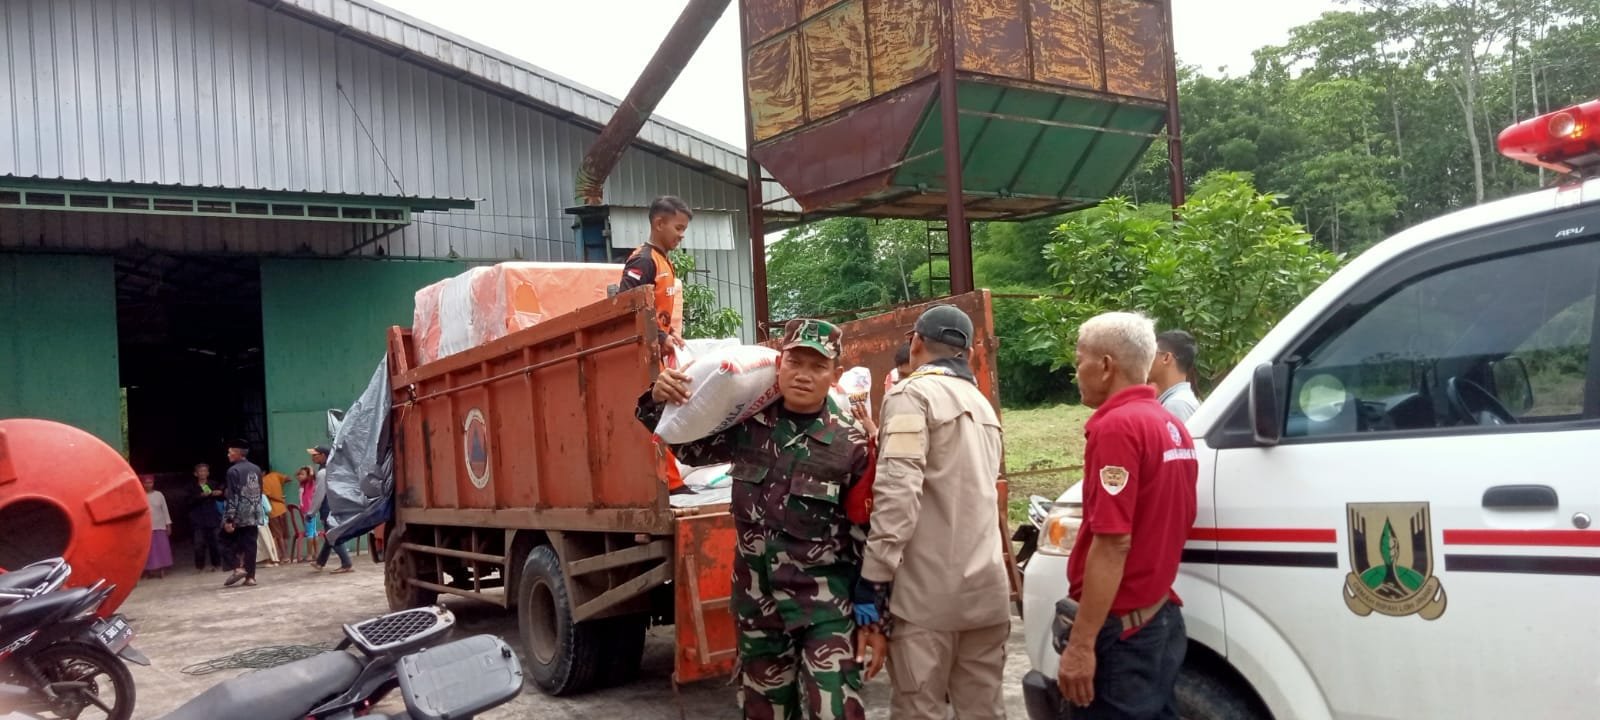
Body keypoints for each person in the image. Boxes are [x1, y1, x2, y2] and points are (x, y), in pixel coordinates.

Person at [637, 319, 871, 720]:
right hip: (757, 607)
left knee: (836, 712)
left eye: (818, 366)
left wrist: (875, 611)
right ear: (779, 363)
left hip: (825, 609)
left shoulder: (852, 443)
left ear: (835, 373)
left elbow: (868, 531)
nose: (803, 375)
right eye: (796, 362)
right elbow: (687, 449)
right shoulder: (749, 425)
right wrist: (656, 399)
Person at [854, 305, 1011, 719]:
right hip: (987, 595)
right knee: (984, 711)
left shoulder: (911, 394)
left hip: (928, 601)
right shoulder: (981, 404)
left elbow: (897, 494)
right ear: (966, 353)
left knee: (919, 709)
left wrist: (873, 578)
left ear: (916, 342)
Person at [1055, 312, 1198, 718]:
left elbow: (1114, 540)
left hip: (1124, 635)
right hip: (1159, 621)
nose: (1076, 371)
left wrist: (1081, 644)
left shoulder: (1117, 428)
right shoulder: (1170, 425)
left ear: (1105, 366)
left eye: (1079, 360)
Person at [618, 195, 692, 350]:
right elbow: (627, 310)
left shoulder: (664, 260)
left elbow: (657, 310)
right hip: (642, 353)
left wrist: (669, 332)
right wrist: (661, 337)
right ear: (659, 224)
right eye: (678, 228)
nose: (682, 235)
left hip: (655, 350)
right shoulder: (643, 261)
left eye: (684, 229)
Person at [221, 441, 264, 587]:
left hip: (240, 514)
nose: (228, 455)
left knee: (224, 540)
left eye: (230, 452)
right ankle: (251, 577)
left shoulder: (233, 471)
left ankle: (237, 567)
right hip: (255, 512)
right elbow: (260, 492)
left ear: (238, 453)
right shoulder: (257, 469)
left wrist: (229, 518)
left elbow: (233, 496)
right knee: (250, 545)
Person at [308, 446, 354, 574]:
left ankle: (346, 563)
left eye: (315, 455)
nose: (313, 457)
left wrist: (311, 512)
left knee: (333, 535)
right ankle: (320, 562)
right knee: (330, 535)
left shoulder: (323, 473)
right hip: (337, 505)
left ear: (323, 456)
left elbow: (319, 494)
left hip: (328, 508)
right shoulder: (334, 468)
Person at [1150, 330, 1201, 423]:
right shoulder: (1176, 401)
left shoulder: (1176, 405)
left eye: (1152, 354)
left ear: (1166, 358)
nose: (1148, 359)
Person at [187, 463, 226, 571]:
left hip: (212, 518)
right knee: (199, 544)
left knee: (215, 543)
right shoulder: (191, 486)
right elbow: (188, 501)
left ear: (208, 473)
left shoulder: (213, 484)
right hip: (198, 519)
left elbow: (222, 499)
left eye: (205, 471)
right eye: (200, 471)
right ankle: (200, 566)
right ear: (196, 474)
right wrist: (200, 496)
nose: (203, 473)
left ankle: (216, 564)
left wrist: (219, 493)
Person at [142, 475, 173, 579]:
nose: (148, 485)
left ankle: (162, 568)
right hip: (146, 527)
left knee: (161, 548)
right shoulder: (140, 495)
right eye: (146, 482)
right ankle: (150, 570)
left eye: (150, 482)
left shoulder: (159, 495)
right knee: (150, 550)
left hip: (159, 525)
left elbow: (165, 510)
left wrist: (168, 524)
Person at [262, 467, 291, 563]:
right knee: (283, 534)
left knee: (278, 536)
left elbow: (267, 496)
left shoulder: (261, 482)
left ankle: (283, 556)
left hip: (272, 512)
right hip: (282, 509)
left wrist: (278, 498)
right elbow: (288, 478)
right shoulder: (275, 475)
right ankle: (286, 555)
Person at [296, 465, 320, 562]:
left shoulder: (310, 483)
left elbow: (312, 475)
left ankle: (310, 555)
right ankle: (316, 554)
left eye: (302, 474)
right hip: (306, 510)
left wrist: (309, 468)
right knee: (313, 532)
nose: (299, 476)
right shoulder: (302, 484)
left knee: (310, 533)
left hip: (310, 511)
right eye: (299, 474)